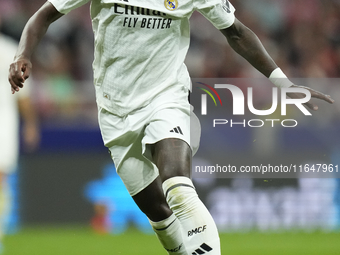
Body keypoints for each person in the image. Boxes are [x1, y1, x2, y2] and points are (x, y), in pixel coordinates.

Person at [8, 1, 334, 254]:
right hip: (115, 110)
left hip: (167, 97)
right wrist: (22, 54)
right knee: (160, 216)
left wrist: (283, 83)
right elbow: (43, 16)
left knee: (177, 185)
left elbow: (235, 31)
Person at [0, 16, 40, 249]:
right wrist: (31, 125)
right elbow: (24, 96)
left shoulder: (8, 51)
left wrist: (31, 125)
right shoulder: (9, 51)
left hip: (4, 123)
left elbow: (23, 95)